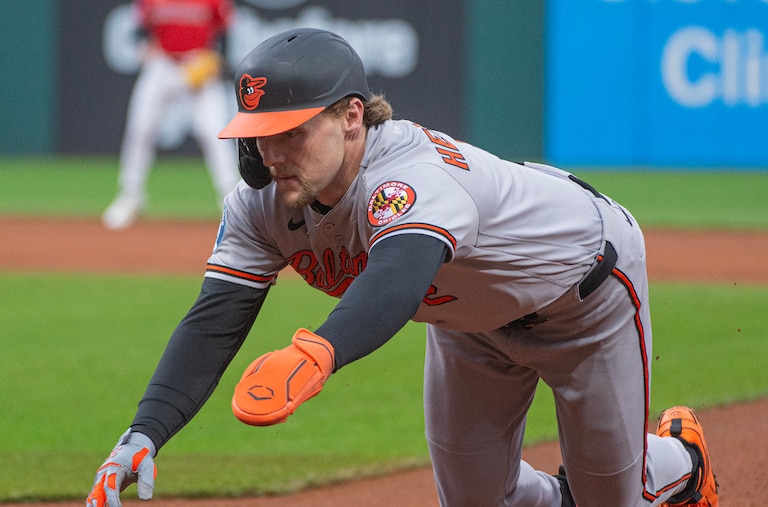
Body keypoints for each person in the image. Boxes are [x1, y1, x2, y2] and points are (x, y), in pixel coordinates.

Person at [86, 28, 719, 507]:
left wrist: (318, 352)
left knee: (617, 500)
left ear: (351, 116)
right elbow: (215, 316)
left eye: (291, 132)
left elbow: (398, 274)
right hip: (468, 320)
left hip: (583, 297)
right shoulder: (263, 202)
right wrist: (144, 432)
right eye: (257, 134)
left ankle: (682, 459)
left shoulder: (409, 174)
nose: (271, 153)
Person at [102, 0, 240, 230]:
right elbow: (139, 29)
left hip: (198, 63)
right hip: (162, 64)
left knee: (215, 134)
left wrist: (216, 61)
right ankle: (130, 195)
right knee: (141, 128)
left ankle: (233, 202)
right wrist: (145, 45)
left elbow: (226, 30)